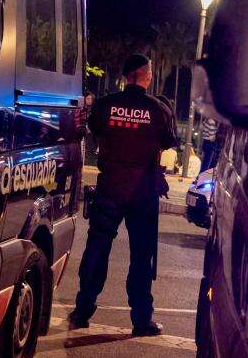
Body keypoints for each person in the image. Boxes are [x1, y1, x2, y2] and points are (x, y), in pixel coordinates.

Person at [69, 54, 177, 336]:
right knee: (141, 257)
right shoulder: (158, 109)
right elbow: (168, 142)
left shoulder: (105, 106)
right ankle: (142, 320)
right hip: (143, 192)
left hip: (110, 188)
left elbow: (94, 132)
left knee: (97, 249)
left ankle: (82, 310)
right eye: (151, 71)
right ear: (144, 75)